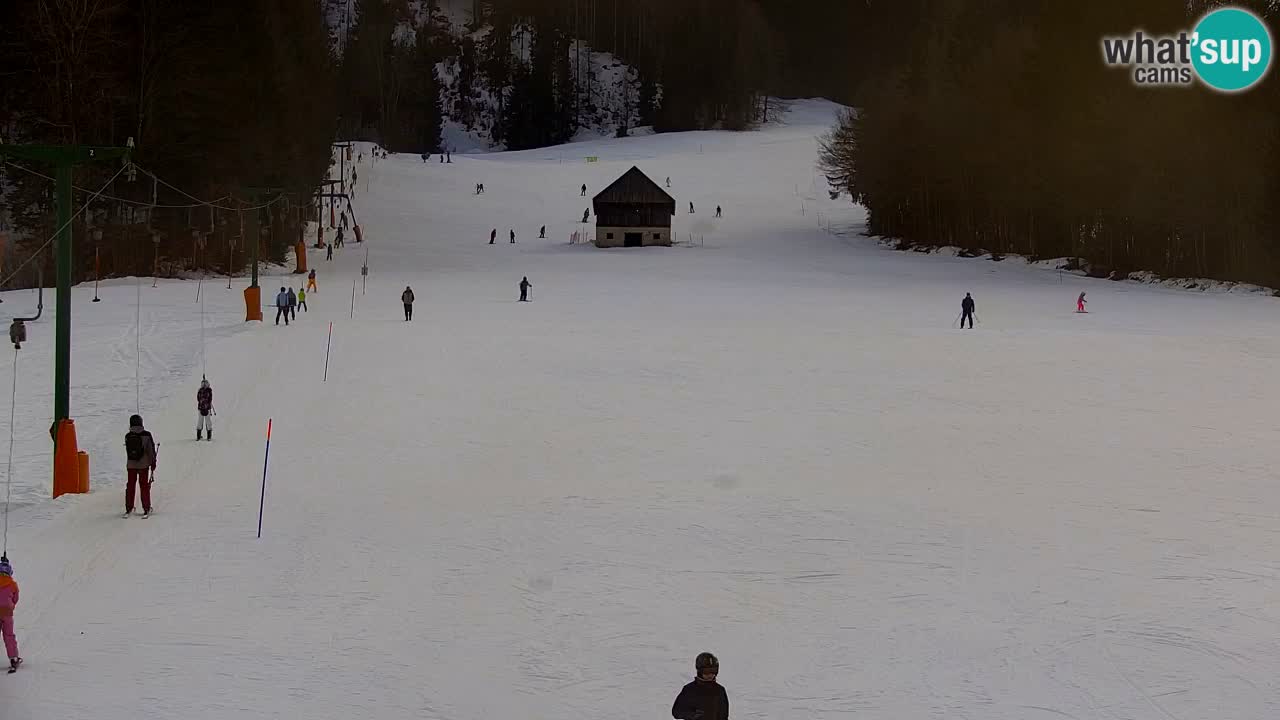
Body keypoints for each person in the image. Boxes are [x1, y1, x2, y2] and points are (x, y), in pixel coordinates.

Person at [672, 653, 728, 720]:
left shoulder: (720, 690)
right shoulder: (689, 690)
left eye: (713, 671)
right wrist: (692, 715)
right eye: (706, 671)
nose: (710, 675)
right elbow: (676, 712)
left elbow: (723, 716)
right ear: (699, 671)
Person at [124, 414, 158, 517]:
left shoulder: (128, 436)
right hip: (143, 465)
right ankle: (146, 508)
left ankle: (129, 508)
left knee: (130, 486)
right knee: (144, 486)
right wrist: (153, 463)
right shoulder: (147, 435)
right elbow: (150, 451)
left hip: (131, 465)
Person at [0, 557, 19, 672]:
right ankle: (13, 658)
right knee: (8, 635)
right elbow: (16, 598)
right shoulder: (12, 584)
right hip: (7, 613)